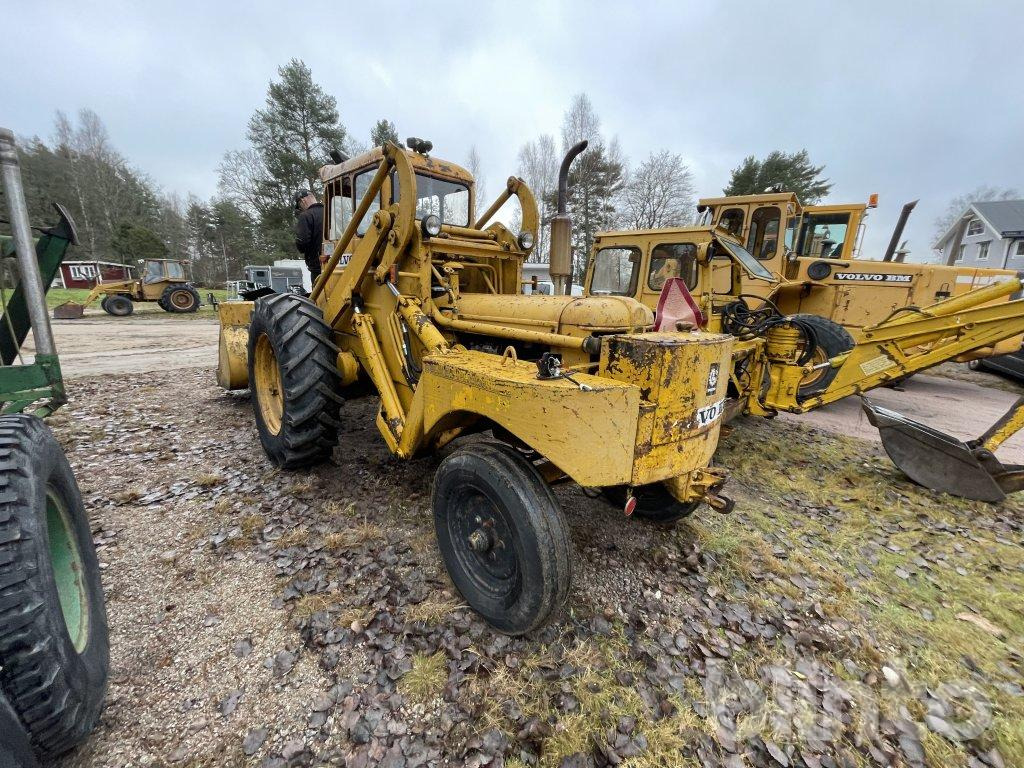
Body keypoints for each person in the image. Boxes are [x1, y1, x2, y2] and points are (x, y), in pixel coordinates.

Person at [294, 190, 324, 283]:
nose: (301, 209)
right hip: (336, 263)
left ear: (302, 201)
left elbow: (303, 242)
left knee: (318, 295)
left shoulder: (306, 216)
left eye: (299, 207)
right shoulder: (330, 212)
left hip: (317, 266)